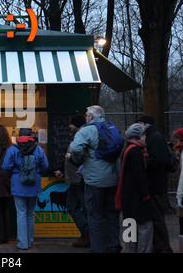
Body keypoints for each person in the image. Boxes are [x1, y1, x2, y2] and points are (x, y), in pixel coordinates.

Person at [69, 105, 121, 253]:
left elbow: (74, 149)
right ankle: (113, 246)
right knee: (112, 215)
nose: (85, 117)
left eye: (86, 115)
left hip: (94, 181)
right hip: (113, 180)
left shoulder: (87, 131)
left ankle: (98, 249)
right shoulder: (112, 128)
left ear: (91, 117)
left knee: (94, 217)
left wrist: (79, 159)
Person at [2, 127, 49, 250]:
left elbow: (6, 166)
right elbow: (45, 165)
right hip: (34, 182)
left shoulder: (13, 149)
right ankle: (30, 240)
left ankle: (22, 243)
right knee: (30, 213)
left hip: (18, 183)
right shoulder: (38, 149)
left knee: (21, 213)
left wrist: (15, 172)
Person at [136, 114, 173, 253]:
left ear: (146, 124)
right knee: (154, 216)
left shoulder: (154, 137)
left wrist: (142, 162)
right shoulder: (153, 137)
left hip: (155, 184)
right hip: (154, 183)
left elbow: (158, 160)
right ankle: (159, 245)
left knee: (157, 217)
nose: (138, 126)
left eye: (139, 123)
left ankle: (163, 247)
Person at [116, 123, 154, 253]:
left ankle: (130, 250)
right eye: (144, 134)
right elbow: (139, 174)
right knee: (145, 226)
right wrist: (145, 194)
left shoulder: (127, 149)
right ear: (140, 136)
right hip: (137, 195)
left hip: (127, 195)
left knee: (130, 225)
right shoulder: (136, 151)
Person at [54, 114, 89, 248]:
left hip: (79, 179)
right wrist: (62, 170)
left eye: (71, 123)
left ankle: (87, 234)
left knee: (76, 206)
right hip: (74, 179)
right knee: (74, 206)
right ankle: (86, 234)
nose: (69, 126)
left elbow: (83, 158)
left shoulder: (81, 137)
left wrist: (71, 158)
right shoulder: (76, 136)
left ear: (76, 124)